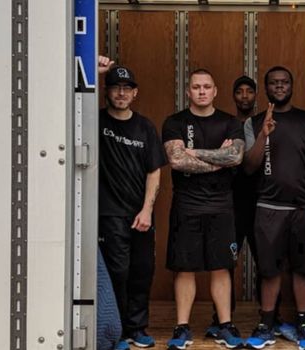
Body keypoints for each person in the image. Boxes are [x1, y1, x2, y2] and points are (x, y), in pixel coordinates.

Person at [243, 66, 305, 350]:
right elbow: (250, 166)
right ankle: (266, 323)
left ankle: (304, 324)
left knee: (303, 269)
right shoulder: (254, 123)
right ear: (265, 88)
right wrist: (264, 134)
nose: (279, 87)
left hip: (303, 209)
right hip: (268, 207)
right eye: (273, 83)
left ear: (292, 85)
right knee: (269, 270)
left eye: (284, 82)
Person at [162, 69, 246, 349]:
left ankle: (224, 325)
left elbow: (235, 156)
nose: (201, 91)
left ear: (215, 91)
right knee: (184, 268)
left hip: (222, 204)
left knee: (221, 267)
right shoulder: (174, 122)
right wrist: (218, 158)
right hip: (187, 204)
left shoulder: (230, 122)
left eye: (206, 86)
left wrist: (195, 152)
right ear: (188, 91)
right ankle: (182, 327)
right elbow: (176, 161)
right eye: (196, 87)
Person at [97, 58, 167, 350]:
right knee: (118, 273)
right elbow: (66, 98)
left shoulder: (145, 127)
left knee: (141, 272)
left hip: (140, 215)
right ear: (106, 90)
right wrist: (95, 68)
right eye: (115, 87)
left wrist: (147, 210)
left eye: (127, 88)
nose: (121, 93)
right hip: (109, 214)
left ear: (135, 93)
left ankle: (137, 329)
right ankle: (119, 331)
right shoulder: (95, 120)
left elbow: (154, 170)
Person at [204, 75, 259, 338]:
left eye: (250, 91)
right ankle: (221, 318)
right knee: (226, 263)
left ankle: (269, 317)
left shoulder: (262, 125)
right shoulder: (225, 124)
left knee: (266, 263)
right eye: (240, 91)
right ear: (233, 95)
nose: (245, 96)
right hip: (229, 203)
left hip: (260, 203)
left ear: (256, 96)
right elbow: (223, 160)